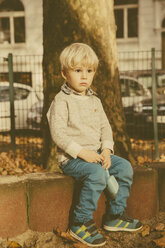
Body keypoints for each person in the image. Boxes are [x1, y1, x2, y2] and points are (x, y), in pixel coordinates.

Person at [47, 43, 142, 247]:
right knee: (97, 174)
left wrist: (107, 150)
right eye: (78, 70)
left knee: (124, 167)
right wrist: (82, 153)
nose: (84, 76)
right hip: (72, 159)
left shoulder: (94, 100)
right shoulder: (61, 101)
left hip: (98, 155)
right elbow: (58, 134)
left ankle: (114, 216)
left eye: (89, 71)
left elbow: (105, 128)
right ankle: (79, 222)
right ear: (64, 73)